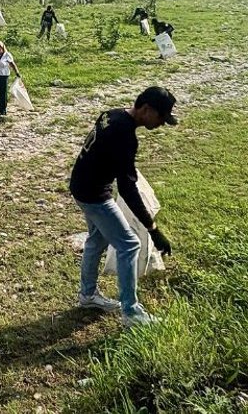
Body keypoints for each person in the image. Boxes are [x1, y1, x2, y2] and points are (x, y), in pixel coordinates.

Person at [69, 86, 178, 328]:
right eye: (161, 118)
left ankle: (87, 295)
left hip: (81, 185)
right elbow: (128, 190)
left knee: (96, 240)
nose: (161, 124)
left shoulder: (113, 114)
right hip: (94, 195)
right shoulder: (125, 136)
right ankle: (131, 312)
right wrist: (153, 229)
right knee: (129, 245)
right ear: (146, 110)